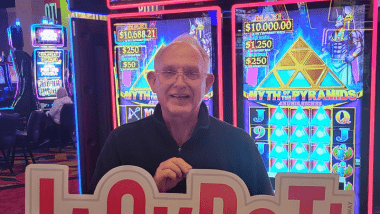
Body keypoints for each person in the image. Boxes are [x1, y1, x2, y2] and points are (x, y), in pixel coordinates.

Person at [88, 35, 273, 196]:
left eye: (192, 73)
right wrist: (149, 191)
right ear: (153, 81)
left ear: (207, 83)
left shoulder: (239, 144)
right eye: (169, 72)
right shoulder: (121, 142)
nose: (180, 83)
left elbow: (266, 209)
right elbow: (97, 208)